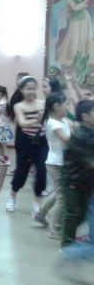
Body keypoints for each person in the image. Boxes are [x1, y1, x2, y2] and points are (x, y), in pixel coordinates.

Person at [6, 76, 48, 213]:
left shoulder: (42, 103)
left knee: (41, 171)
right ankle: (12, 197)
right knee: (22, 171)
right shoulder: (18, 106)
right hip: (25, 142)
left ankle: (37, 202)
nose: (31, 91)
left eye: (33, 89)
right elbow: (22, 123)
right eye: (28, 89)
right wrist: (37, 120)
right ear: (21, 90)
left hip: (41, 142)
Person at [32, 93, 71, 239]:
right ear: (56, 106)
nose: (68, 108)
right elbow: (68, 141)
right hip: (56, 163)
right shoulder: (53, 124)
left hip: (62, 162)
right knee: (63, 197)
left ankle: (40, 213)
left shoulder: (62, 121)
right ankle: (55, 229)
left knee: (60, 192)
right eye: (66, 104)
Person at [59, 99, 94, 250]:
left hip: (87, 180)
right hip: (72, 180)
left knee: (83, 212)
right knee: (71, 213)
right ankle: (66, 245)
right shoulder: (79, 136)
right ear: (85, 116)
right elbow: (88, 162)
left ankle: (66, 232)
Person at [56, 0, 94, 70]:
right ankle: (73, 58)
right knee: (75, 37)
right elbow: (76, 8)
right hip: (76, 20)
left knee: (84, 36)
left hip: (84, 18)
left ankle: (84, 57)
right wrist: (86, 0)